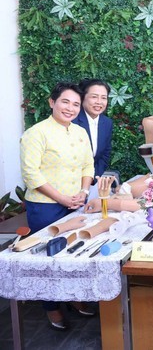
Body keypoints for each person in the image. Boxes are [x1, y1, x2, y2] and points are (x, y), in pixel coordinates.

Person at [20, 82, 96, 330]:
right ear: (52, 102)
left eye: (76, 104)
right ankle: (51, 306)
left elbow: (88, 165)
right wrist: (62, 198)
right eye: (65, 102)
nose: (70, 108)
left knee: (74, 253)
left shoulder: (80, 132)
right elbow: (31, 174)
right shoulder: (36, 133)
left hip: (75, 204)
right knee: (48, 257)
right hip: (45, 207)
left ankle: (73, 296)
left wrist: (84, 192)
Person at [73, 79, 113, 178]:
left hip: (92, 179)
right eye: (94, 97)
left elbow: (105, 154)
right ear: (82, 98)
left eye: (103, 98)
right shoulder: (72, 121)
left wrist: (91, 178)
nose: (99, 102)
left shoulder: (107, 123)